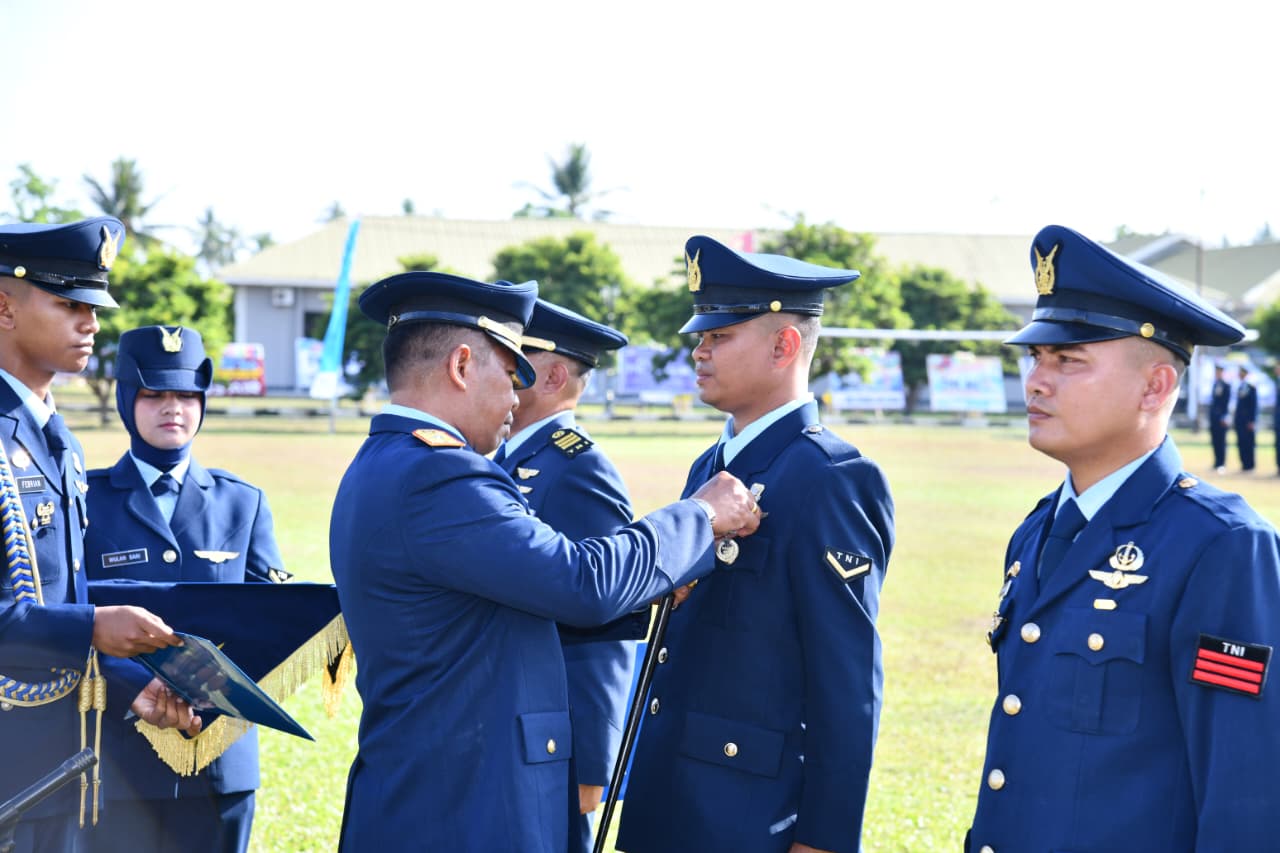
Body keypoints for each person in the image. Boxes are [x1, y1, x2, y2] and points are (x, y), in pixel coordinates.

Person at [328, 271, 761, 853]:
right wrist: (700, 516)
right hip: (465, 806)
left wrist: (652, 590)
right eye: (511, 375)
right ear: (461, 365)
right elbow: (580, 581)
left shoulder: (386, 460)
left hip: (433, 789)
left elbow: (499, 603)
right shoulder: (440, 474)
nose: (515, 399)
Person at [967, 224, 1280, 853]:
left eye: (1068, 361)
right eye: (1036, 357)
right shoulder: (1037, 531)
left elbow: (1245, 786)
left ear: (1154, 386)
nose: (1036, 381)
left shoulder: (1221, 545)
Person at [616, 236, 895, 853]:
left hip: (746, 815)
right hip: (669, 797)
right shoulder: (711, 466)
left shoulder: (831, 478)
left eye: (719, 336)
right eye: (701, 335)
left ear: (783, 345)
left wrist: (823, 838)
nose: (699, 350)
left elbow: (846, 681)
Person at [0, 218, 200, 853]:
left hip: (62, 767)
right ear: (4, 307)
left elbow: (60, 596)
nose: (90, 322)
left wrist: (128, 683)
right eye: (69, 304)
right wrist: (91, 626)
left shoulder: (57, 439)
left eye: (93, 307)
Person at [82, 326, 287, 853]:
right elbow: (67, 616)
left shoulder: (243, 502)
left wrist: (211, 692)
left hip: (219, 759)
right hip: (117, 760)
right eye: (154, 393)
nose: (173, 407)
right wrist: (136, 686)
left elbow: (272, 623)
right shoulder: (85, 501)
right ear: (126, 399)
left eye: (187, 394)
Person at [494, 298, 640, 850]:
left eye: (516, 357)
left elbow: (607, 613)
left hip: (553, 746)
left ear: (554, 376)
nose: (501, 365)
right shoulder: (499, 457)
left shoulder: (579, 468)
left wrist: (592, 761)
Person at [1234, 363, 1257, 471]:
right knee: (1241, 442)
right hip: (1240, 420)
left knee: (1249, 443)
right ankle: (1244, 464)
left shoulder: (1251, 387)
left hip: (1248, 420)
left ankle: (1250, 465)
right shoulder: (1240, 386)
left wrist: (1252, 420)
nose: (1240, 374)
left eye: (1241, 372)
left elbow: (1254, 405)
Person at [1208, 362, 1230, 473]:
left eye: (1219, 371)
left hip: (1221, 418)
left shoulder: (1226, 385)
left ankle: (1222, 463)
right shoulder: (1215, 384)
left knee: (1221, 441)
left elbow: (1226, 403)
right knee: (1215, 440)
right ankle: (1216, 462)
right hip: (1214, 417)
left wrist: (1224, 417)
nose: (1217, 373)